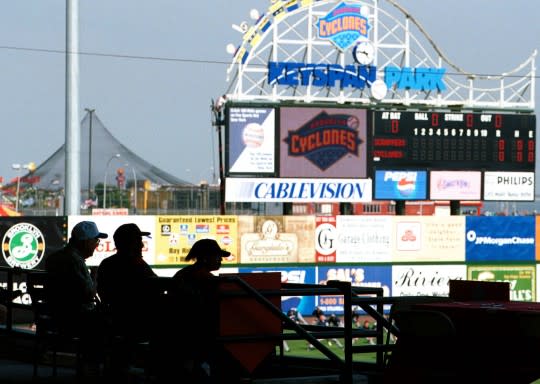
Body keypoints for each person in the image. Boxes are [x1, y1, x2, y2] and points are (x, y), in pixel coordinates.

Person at [153, 238, 230, 383]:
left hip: (180, 336)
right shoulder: (206, 279)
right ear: (206, 258)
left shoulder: (184, 273)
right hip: (195, 337)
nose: (220, 259)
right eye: (217, 256)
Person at [44, 220, 109, 374]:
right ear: (86, 242)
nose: (97, 244)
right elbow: (88, 294)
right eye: (96, 240)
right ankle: (97, 368)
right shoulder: (75, 261)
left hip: (55, 318)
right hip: (75, 321)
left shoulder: (54, 258)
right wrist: (95, 277)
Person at [96, 223, 157, 375]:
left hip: (113, 322)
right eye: (138, 241)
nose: (142, 244)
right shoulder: (138, 266)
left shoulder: (107, 264)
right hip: (135, 325)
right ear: (131, 245)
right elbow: (157, 286)